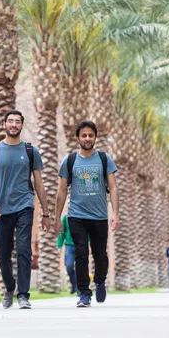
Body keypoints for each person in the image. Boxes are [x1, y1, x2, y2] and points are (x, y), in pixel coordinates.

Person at [0, 110, 50, 309]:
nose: (13, 125)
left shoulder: (31, 152)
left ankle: (23, 295)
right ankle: (10, 287)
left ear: (22, 125)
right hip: (2, 209)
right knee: (3, 254)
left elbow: (39, 184)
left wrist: (46, 213)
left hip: (25, 206)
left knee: (24, 250)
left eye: (17, 122)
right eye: (10, 121)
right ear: (4, 124)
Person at [53, 120, 120, 308]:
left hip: (99, 216)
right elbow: (61, 191)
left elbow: (113, 188)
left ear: (95, 137)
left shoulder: (105, 159)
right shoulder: (70, 160)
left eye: (91, 135)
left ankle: (99, 281)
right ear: (78, 138)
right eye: (84, 135)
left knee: (100, 256)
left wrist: (115, 213)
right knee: (80, 254)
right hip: (76, 216)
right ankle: (83, 293)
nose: (87, 138)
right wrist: (58, 217)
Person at [57, 213, 78, 294]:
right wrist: (59, 245)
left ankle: (78, 288)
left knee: (80, 267)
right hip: (69, 246)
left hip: (81, 245)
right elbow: (61, 232)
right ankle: (74, 284)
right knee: (69, 266)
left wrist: (89, 244)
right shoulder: (65, 218)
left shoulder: (82, 215)